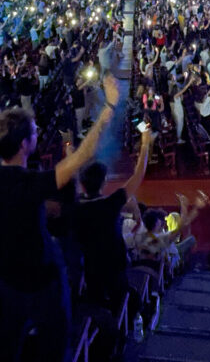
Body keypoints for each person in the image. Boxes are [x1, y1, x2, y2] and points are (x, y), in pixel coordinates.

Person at [0, 74, 120, 362]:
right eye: (35, 133)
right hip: (42, 283)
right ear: (25, 144)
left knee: (9, 345)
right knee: (54, 346)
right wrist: (110, 106)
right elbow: (81, 157)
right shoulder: (28, 184)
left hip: (7, 279)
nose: (38, 135)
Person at [74, 127, 153, 310]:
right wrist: (145, 144)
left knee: (97, 305)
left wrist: (70, 154)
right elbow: (138, 174)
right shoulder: (109, 204)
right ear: (104, 182)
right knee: (120, 305)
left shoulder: (76, 207)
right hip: (114, 266)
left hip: (90, 267)